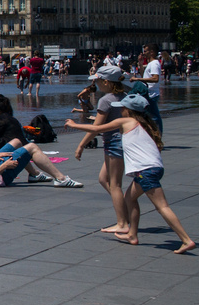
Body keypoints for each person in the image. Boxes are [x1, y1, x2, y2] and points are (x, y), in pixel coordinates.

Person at [67, 94, 192, 253]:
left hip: (146, 171)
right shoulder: (145, 124)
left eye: (123, 109)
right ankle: (132, 234)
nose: (121, 111)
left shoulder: (127, 121)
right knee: (130, 198)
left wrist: (74, 124)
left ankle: (186, 240)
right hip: (154, 168)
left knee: (162, 206)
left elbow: (97, 128)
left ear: (129, 110)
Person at [75, 67, 130, 235]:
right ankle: (124, 212)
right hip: (122, 142)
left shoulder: (106, 100)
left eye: (97, 81)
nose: (95, 84)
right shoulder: (125, 97)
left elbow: (96, 128)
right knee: (103, 179)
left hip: (113, 143)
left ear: (106, 82)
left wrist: (81, 145)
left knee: (115, 185)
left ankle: (123, 223)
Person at [141, 46, 164, 130]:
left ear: (152, 52)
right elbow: (144, 76)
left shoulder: (154, 64)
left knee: (154, 117)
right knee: (150, 116)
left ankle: (158, 136)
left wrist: (137, 79)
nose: (144, 53)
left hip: (152, 93)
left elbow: (155, 78)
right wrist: (140, 63)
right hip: (148, 92)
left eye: (145, 51)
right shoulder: (150, 63)